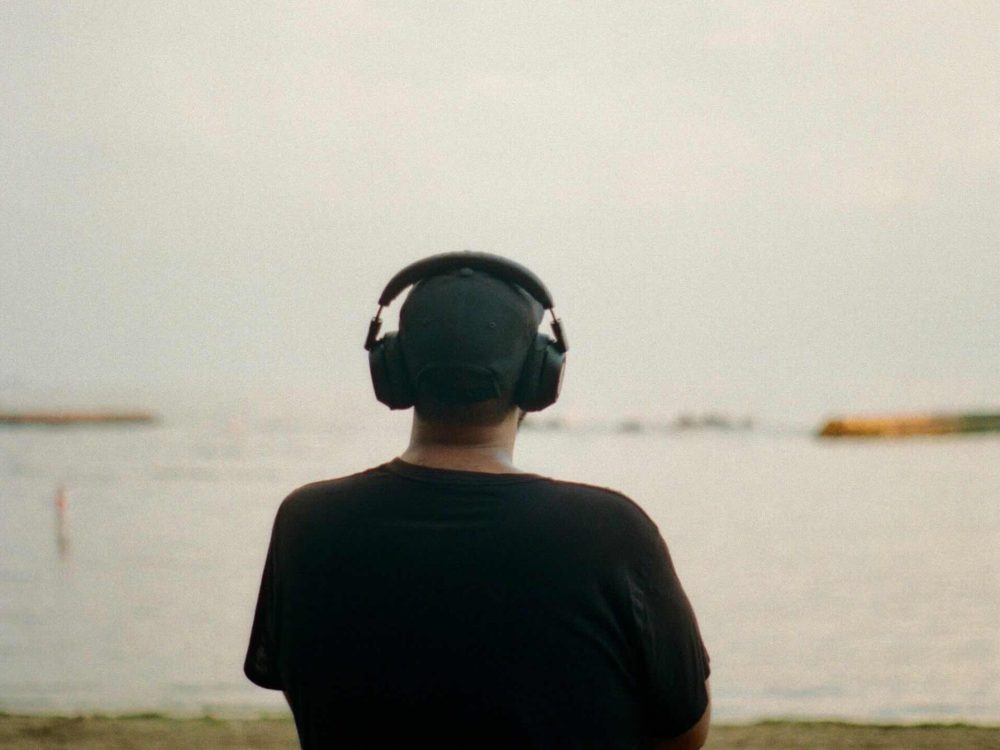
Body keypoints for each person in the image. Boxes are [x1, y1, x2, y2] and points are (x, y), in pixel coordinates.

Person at [244, 252, 711, 749]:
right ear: (540, 374)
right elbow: (686, 734)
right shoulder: (612, 532)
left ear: (393, 369)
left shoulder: (307, 523)